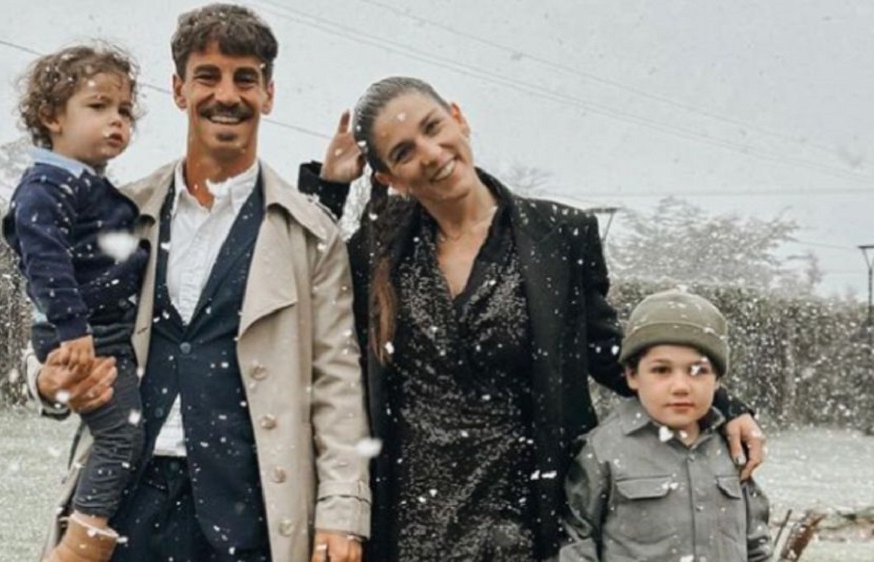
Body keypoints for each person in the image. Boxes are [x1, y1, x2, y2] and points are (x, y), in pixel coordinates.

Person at [299, 76, 767, 562]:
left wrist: (724, 406)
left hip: (525, 520)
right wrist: (328, 190)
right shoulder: (375, 253)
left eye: (433, 127)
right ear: (389, 178)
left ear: (459, 118)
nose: (432, 153)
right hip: (410, 526)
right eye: (404, 152)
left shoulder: (561, 236)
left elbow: (608, 351)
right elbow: (305, 302)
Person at [25, 5, 370, 562]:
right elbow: (53, 314)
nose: (226, 95)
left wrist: (341, 511)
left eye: (245, 79)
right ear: (179, 90)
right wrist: (44, 381)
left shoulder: (310, 235)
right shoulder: (119, 210)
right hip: (121, 509)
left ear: (269, 95)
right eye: (207, 75)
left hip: (251, 512)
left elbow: (336, 383)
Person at [3, 44, 148, 561]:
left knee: (121, 431)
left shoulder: (86, 185)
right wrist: (73, 330)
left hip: (94, 327)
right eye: (98, 106)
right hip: (88, 332)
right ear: (51, 116)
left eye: (124, 110)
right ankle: (82, 541)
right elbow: (45, 263)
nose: (117, 121)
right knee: (120, 434)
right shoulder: (48, 185)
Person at [560, 289, 772, 561]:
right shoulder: (603, 450)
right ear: (632, 375)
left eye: (698, 371)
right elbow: (577, 543)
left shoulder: (731, 447)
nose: (680, 386)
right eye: (661, 370)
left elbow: (756, 543)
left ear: (718, 381)